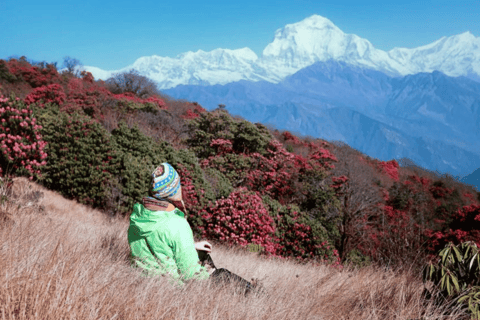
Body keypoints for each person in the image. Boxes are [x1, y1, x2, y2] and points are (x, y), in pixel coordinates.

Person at [128, 162, 213, 282]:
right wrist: (211, 276)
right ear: (172, 190)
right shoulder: (177, 224)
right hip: (170, 290)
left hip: (140, 282)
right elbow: (191, 275)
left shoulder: (137, 216)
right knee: (225, 275)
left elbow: (155, 244)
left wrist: (191, 246)